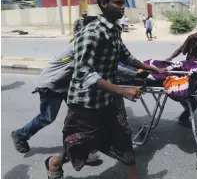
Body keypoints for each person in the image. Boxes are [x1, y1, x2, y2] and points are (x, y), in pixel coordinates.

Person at [44, 0, 166, 179]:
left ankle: (133, 175)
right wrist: (123, 90)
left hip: (110, 97)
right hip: (87, 101)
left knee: (123, 135)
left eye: (123, 3)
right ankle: (55, 162)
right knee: (83, 143)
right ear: (103, 4)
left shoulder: (114, 29)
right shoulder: (91, 33)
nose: (122, 8)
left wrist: (152, 68)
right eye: (117, 3)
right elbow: (84, 73)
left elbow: (125, 55)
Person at [11, 15, 143, 162]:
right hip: (52, 85)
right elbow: (112, 68)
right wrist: (136, 75)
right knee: (47, 118)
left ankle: (83, 152)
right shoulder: (82, 44)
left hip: (67, 85)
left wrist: (137, 71)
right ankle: (20, 135)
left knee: (82, 118)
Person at [166, 15, 197, 127]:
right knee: (191, 97)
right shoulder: (192, 37)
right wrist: (170, 58)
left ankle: (188, 103)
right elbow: (181, 49)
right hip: (188, 68)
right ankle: (184, 114)